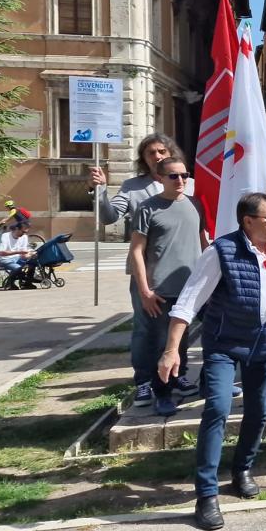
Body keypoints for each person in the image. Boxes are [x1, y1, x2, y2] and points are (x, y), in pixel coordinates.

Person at [157, 193, 266, 531]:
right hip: (225, 345)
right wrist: (171, 349)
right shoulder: (221, 252)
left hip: (264, 346)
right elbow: (188, 303)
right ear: (248, 221)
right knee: (218, 408)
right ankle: (206, 494)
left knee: (259, 409)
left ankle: (242, 470)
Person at [87, 134, 195, 402]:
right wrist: (100, 191)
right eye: (150, 153)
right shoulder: (133, 187)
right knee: (146, 328)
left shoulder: (188, 185)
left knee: (180, 324)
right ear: (143, 158)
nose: (157, 156)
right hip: (147, 275)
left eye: (161, 151)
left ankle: (178, 374)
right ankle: (144, 380)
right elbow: (110, 216)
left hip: (182, 273)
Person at [129, 157, 208, 416]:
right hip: (160, 291)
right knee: (161, 344)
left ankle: (187, 378)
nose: (180, 181)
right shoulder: (148, 208)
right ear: (160, 179)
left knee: (186, 339)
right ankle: (162, 393)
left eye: (184, 175)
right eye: (173, 176)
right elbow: (137, 251)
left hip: (193, 288)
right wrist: (145, 291)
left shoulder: (195, 205)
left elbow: (203, 243)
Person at [0, 220, 35, 289]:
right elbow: (1, 253)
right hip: (4, 259)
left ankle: (27, 283)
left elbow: (23, 255)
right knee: (17, 268)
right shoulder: (6, 236)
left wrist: (30, 255)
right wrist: (18, 252)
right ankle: (9, 283)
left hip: (17, 258)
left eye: (26, 232)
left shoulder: (24, 237)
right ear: (17, 228)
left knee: (33, 263)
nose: (24, 234)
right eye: (23, 231)